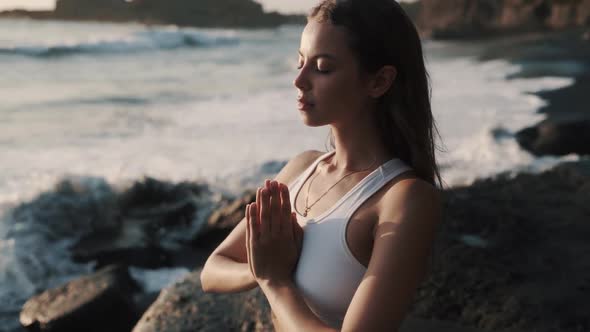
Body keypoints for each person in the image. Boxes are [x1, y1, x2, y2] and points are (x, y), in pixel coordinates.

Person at [200, 0, 443, 330]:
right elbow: (212, 270)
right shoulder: (301, 169)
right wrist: (260, 269)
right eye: (300, 62)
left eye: (323, 68)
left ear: (379, 81)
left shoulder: (405, 199)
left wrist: (275, 281)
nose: (299, 80)